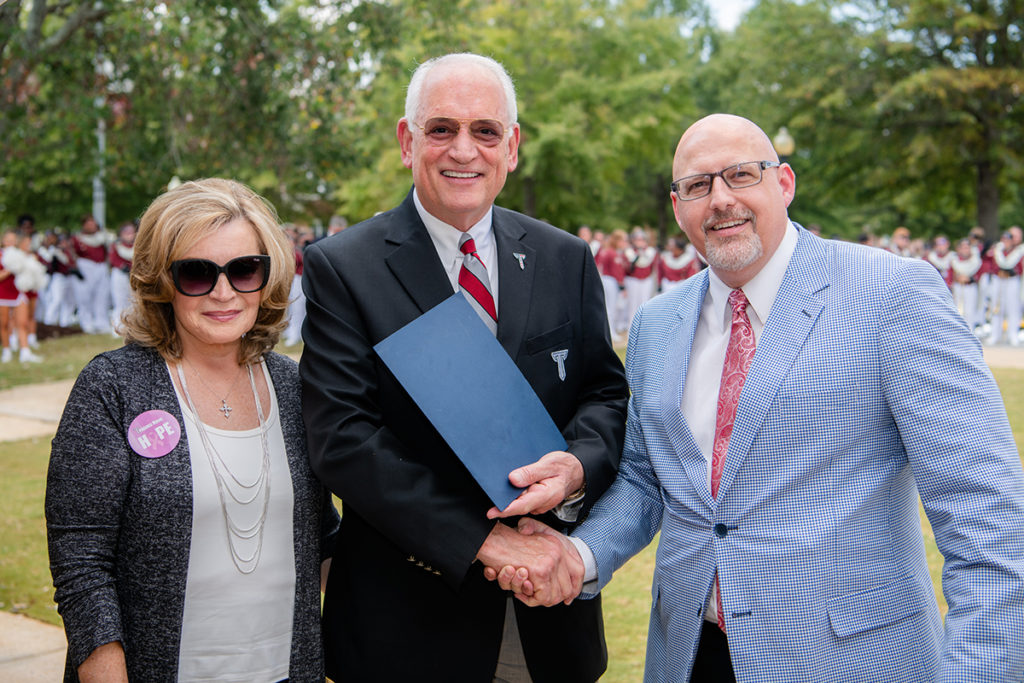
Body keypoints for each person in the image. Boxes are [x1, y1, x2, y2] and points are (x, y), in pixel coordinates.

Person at [493, 114, 1024, 682]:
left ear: (785, 183)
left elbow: (987, 517)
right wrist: (579, 556)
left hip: (849, 661)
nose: (720, 200)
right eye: (697, 186)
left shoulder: (892, 295)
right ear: (678, 207)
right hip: (691, 655)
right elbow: (649, 480)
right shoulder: (656, 323)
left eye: (741, 175)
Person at [299, 52, 629, 682]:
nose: (464, 151)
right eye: (442, 129)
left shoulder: (566, 258)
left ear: (512, 147)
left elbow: (604, 396)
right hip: (408, 626)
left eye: (485, 131)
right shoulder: (345, 268)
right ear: (407, 140)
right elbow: (342, 438)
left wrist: (576, 468)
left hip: (549, 621)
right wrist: (480, 539)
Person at [46, 178, 340, 682]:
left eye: (245, 269)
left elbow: (322, 535)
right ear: (162, 281)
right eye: (197, 274)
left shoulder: (294, 387)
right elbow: (81, 561)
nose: (224, 292)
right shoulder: (113, 386)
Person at [70, 214, 113, 334]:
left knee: (102, 296)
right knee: (84, 297)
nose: (92, 226)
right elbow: (72, 254)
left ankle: (101, 322)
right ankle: (87, 323)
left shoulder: (102, 238)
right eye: (89, 224)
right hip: (85, 266)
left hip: (101, 267)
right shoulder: (77, 238)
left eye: (93, 223)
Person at [108, 221, 136, 335]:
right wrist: (122, 266)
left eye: (131, 232)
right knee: (120, 301)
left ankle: (132, 328)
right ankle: (117, 328)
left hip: (133, 274)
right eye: (126, 233)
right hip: (119, 274)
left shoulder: (137, 245)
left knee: (133, 301)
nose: (129, 235)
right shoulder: (116, 245)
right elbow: (113, 259)